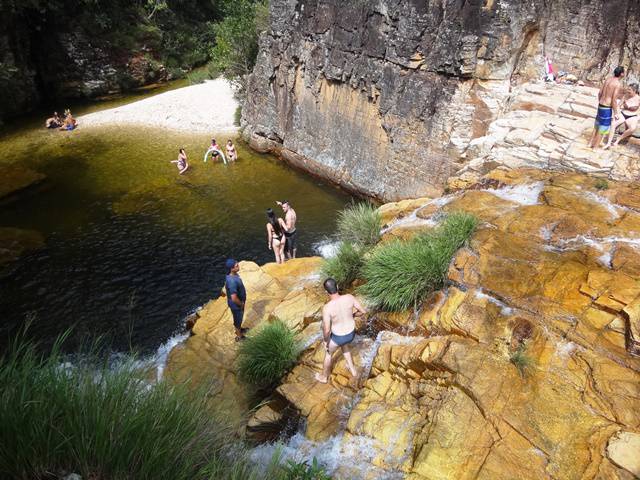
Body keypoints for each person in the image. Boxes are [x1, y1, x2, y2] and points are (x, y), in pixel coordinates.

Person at [314, 278, 367, 384]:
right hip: (351, 334)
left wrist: (326, 341)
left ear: (326, 292)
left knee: (328, 353)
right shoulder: (349, 297)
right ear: (337, 286)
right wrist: (352, 315)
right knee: (344, 345)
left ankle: (324, 377)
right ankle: (353, 370)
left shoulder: (327, 308)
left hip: (339, 337)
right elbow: (363, 311)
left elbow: (327, 329)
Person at [589, 66, 625, 149]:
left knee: (597, 125)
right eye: (624, 72)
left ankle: (590, 143)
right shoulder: (617, 84)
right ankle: (595, 148)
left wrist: (600, 102)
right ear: (621, 74)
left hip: (601, 105)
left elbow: (600, 93)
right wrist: (616, 113)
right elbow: (614, 100)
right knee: (603, 129)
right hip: (607, 107)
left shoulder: (608, 79)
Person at [605, 83, 640, 149]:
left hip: (632, 116)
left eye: (629, 90)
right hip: (623, 114)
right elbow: (618, 106)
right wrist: (616, 114)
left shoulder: (638, 98)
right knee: (613, 124)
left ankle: (618, 140)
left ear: (634, 91)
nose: (628, 91)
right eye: (628, 89)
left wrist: (638, 117)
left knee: (632, 128)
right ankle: (608, 143)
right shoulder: (625, 96)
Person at [224, 258, 248, 341]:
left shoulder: (234, 275)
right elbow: (234, 298)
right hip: (236, 305)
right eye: (236, 265)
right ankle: (239, 336)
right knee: (237, 320)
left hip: (238, 303)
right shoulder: (232, 281)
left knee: (239, 318)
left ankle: (240, 329)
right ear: (232, 269)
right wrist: (241, 304)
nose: (238, 266)